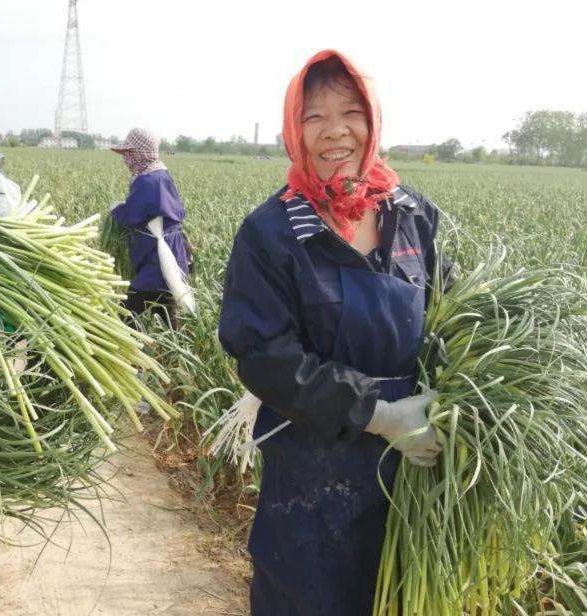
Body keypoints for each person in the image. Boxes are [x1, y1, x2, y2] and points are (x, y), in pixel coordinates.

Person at [218, 50, 448, 615]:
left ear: (372, 122)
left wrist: (446, 409)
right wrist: (381, 415)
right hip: (313, 473)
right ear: (293, 130)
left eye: (350, 112)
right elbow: (264, 355)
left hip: (415, 469)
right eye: (314, 116)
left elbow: (449, 315)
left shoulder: (412, 214)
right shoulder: (271, 232)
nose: (335, 132)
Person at [110, 128, 191, 328]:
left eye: (129, 153)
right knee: (164, 307)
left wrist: (116, 209)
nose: (126, 159)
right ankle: (174, 353)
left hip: (159, 258)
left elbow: (131, 216)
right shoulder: (159, 174)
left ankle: (125, 347)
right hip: (168, 252)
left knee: (128, 311)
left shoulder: (149, 180)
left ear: (141, 152)